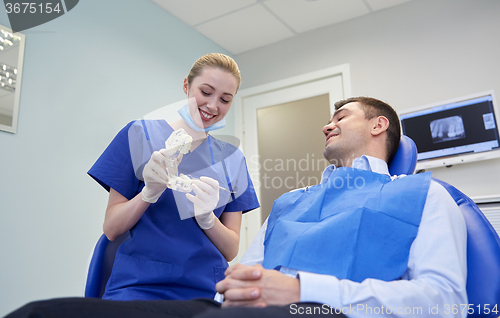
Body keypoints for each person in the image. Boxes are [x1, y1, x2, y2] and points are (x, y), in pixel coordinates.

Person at [5, 97, 467, 318]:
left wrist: (304, 290)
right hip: (229, 312)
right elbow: (237, 277)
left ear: (379, 125)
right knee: (46, 313)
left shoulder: (424, 195)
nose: (327, 125)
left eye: (341, 117)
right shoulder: (289, 204)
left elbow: (446, 302)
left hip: (324, 312)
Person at [86, 53, 260, 301]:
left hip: (203, 289)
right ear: (186, 85)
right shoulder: (138, 135)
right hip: (138, 285)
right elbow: (112, 229)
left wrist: (207, 218)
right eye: (206, 92)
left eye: (225, 99)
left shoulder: (233, 160)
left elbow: (231, 249)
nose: (213, 106)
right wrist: (148, 193)